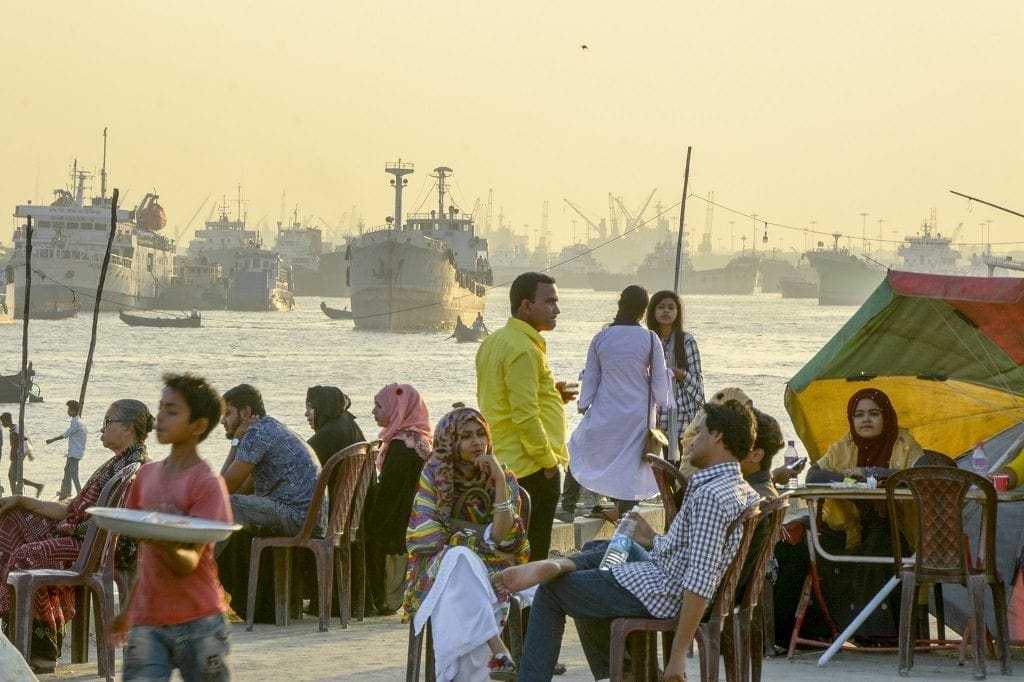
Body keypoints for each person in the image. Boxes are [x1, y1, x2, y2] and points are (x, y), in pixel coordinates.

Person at [492, 400, 760, 681]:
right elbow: (692, 554)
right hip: (667, 574)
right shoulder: (738, 489)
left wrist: (678, 654)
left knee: (553, 593)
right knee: (601, 549)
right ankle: (563, 565)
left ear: (717, 436)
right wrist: (653, 539)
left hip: (665, 592)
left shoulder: (711, 497)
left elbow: (700, 579)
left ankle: (556, 580)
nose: (692, 440)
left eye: (701, 432)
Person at [0, 399, 151, 673]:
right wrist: (23, 500)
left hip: (97, 549)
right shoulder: (118, 463)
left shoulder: (130, 469)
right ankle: (13, 645)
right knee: (10, 521)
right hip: (88, 539)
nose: (102, 428)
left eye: (108, 422)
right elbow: (75, 509)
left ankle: (41, 652)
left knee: (26, 555)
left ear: (128, 428)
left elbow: (99, 524)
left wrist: (62, 529)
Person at [773, 387, 924, 647]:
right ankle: (785, 634)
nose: (865, 420)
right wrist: (846, 479)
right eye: (859, 415)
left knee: (880, 541)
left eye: (874, 414)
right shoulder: (843, 445)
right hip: (846, 528)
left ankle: (876, 634)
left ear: (886, 417)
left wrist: (870, 473)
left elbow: (919, 476)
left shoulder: (904, 444)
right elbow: (815, 476)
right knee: (791, 542)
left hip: (893, 527)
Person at [112, 373, 232, 681]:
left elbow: (189, 562)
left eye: (173, 411)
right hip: (148, 620)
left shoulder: (206, 484)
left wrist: (158, 536)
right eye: (161, 408)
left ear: (198, 426)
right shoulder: (146, 476)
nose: (160, 418)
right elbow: (145, 559)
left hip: (200, 620)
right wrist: (128, 610)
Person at [403, 407, 529, 680]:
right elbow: (427, 538)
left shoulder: (501, 475)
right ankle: (497, 647)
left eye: (481, 434)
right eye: (467, 436)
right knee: (458, 559)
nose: (477, 442)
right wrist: (480, 541)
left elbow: (506, 538)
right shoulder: (433, 475)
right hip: (436, 571)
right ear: (451, 441)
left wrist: (497, 480)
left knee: (460, 561)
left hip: (491, 569)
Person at [476, 272, 576, 564]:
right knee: (533, 554)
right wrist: (547, 462)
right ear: (526, 306)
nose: (557, 309)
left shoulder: (495, 341)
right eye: (550, 302)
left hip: (505, 460)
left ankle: (512, 607)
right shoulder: (523, 349)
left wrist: (552, 396)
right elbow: (524, 414)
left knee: (508, 552)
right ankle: (532, 610)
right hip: (529, 466)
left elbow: (502, 399)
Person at [215, 383, 323, 623]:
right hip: (307, 516)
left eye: (227, 413)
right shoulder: (270, 428)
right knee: (223, 505)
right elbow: (239, 486)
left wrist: (235, 442)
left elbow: (224, 489)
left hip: (295, 516)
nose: (222, 420)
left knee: (221, 505)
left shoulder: (257, 434)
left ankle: (197, 578)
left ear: (245, 413)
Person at [567, 285, 670, 521]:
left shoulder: (601, 337)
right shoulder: (650, 338)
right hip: (638, 412)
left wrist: (584, 404)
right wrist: (662, 402)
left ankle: (569, 502)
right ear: (644, 310)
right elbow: (659, 379)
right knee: (631, 466)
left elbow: (592, 376)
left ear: (619, 304)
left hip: (607, 406)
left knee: (578, 445)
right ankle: (626, 517)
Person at [365, 382, 432, 615]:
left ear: (397, 408)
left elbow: (388, 494)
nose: (374, 411)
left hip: (397, 523)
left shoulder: (402, 445)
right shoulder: (418, 438)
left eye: (379, 406)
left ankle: (377, 598)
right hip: (414, 517)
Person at [646, 290, 704, 462]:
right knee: (656, 467)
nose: (666, 311)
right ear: (652, 312)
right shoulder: (648, 340)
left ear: (677, 313)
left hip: (681, 415)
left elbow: (698, 383)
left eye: (671, 308)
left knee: (681, 465)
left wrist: (678, 374)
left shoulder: (686, 341)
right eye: (661, 307)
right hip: (655, 415)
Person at [45, 399, 88, 500]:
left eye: (69, 409)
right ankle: (66, 492)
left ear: (74, 411)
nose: (68, 412)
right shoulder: (79, 422)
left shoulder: (76, 423)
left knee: (74, 473)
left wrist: (52, 440)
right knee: (67, 470)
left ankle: (79, 493)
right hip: (75, 452)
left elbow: (65, 435)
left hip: (75, 452)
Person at [0, 413, 44, 498]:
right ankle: (36, 486)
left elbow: (23, 438)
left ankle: (16, 495)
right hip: (15, 457)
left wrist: (28, 453)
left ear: (6, 421)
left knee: (14, 477)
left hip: (17, 456)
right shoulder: (13, 429)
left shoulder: (15, 430)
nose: (2, 423)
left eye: (2, 421)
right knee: (13, 477)